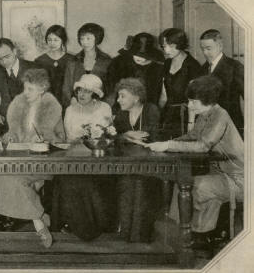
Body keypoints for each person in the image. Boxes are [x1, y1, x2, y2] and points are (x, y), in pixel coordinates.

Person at [147, 75, 243, 251]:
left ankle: (187, 236)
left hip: (239, 179)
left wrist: (168, 145)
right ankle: (194, 236)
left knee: (191, 186)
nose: (189, 105)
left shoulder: (220, 115)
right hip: (221, 174)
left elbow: (203, 145)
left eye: (193, 101)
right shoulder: (206, 114)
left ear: (207, 100)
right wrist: (163, 144)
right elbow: (191, 137)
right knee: (183, 183)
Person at [0, 69, 65, 248]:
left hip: (43, 163)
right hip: (19, 160)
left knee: (10, 177)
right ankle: (39, 219)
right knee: (2, 174)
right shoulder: (18, 104)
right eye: (25, 88)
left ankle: (38, 220)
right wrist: (9, 137)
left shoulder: (53, 106)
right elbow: (11, 133)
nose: (25, 93)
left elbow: (61, 140)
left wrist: (46, 140)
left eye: (30, 89)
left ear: (42, 88)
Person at [51, 74, 117, 241]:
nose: (82, 94)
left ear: (95, 94)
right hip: (73, 158)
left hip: (97, 158)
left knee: (89, 181)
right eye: (80, 90)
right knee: (68, 180)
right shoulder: (70, 110)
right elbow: (68, 137)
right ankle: (74, 224)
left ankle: (94, 226)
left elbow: (107, 135)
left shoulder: (104, 108)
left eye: (87, 91)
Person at [113, 77, 162, 242]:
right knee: (126, 183)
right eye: (118, 96)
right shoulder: (121, 114)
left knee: (140, 183)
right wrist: (128, 135)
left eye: (122, 96)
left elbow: (150, 137)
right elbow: (115, 138)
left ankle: (139, 235)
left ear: (136, 97)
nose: (118, 100)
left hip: (150, 165)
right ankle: (126, 234)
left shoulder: (151, 110)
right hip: (127, 164)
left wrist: (125, 136)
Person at [158, 28, 202, 139]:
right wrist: (157, 115)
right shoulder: (167, 63)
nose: (166, 50)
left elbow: (195, 98)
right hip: (168, 114)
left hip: (187, 115)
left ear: (180, 44)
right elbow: (164, 94)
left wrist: (191, 124)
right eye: (164, 46)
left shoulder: (193, 65)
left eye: (171, 46)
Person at [199, 29, 244, 136]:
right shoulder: (202, 69)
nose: (205, 53)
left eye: (208, 48)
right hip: (208, 126)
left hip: (231, 125)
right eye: (202, 49)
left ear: (220, 46)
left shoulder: (234, 67)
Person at [108, 32, 164, 112]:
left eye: (144, 55)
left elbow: (159, 94)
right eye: (135, 53)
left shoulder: (157, 68)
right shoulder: (121, 63)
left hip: (147, 110)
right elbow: (111, 83)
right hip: (123, 108)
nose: (139, 57)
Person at [62, 23, 112, 109]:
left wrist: (104, 107)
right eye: (82, 38)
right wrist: (72, 101)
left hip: (99, 108)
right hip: (76, 106)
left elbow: (111, 89)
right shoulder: (73, 61)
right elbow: (66, 88)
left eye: (88, 38)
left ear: (97, 39)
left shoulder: (106, 60)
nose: (85, 42)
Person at [35, 25, 74, 103]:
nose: (52, 43)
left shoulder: (71, 59)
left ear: (62, 40)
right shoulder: (40, 60)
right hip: (46, 102)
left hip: (68, 102)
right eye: (49, 40)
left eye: (56, 40)